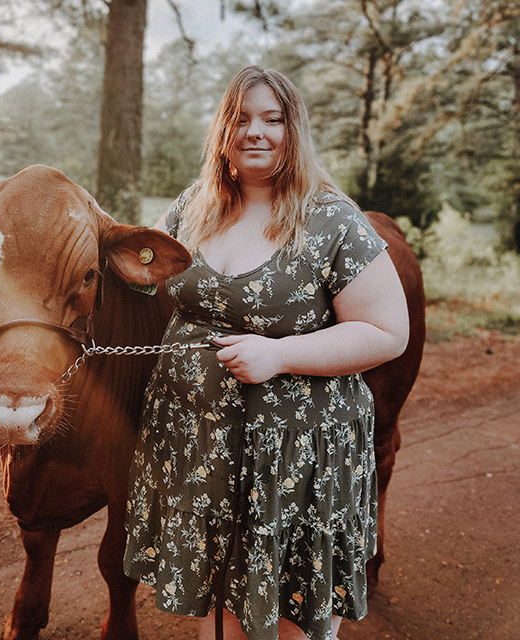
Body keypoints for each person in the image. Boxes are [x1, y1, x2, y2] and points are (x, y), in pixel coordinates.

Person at [123, 65, 410, 640]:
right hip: (199, 444)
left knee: (287, 612)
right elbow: (135, 274)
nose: (256, 131)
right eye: (242, 118)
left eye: (272, 119)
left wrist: (279, 356)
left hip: (295, 454)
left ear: (292, 130)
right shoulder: (191, 208)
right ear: (222, 132)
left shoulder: (330, 218)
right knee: (219, 607)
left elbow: (387, 331)